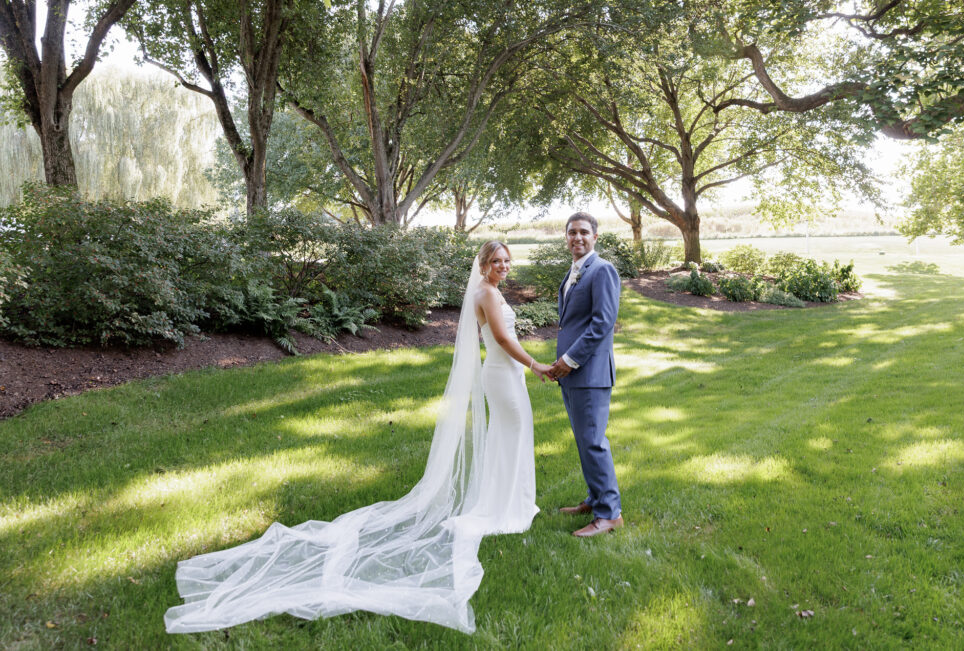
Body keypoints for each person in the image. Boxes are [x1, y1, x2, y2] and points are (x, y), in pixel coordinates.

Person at [164, 241, 550, 634]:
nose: (502, 266)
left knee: (509, 439)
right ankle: (502, 509)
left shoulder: (492, 289)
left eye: (506, 260)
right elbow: (501, 340)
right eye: (495, 261)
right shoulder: (484, 292)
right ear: (483, 264)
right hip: (504, 375)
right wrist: (535, 364)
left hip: (508, 375)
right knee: (510, 436)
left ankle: (507, 504)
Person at [547, 212, 624, 538]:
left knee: (593, 442)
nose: (576, 238)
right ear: (566, 238)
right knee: (584, 441)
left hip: (589, 372)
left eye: (583, 232)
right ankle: (595, 499)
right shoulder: (574, 271)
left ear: (595, 236)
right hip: (573, 374)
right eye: (571, 233)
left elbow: (602, 324)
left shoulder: (602, 270)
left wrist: (569, 359)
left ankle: (610, 514)